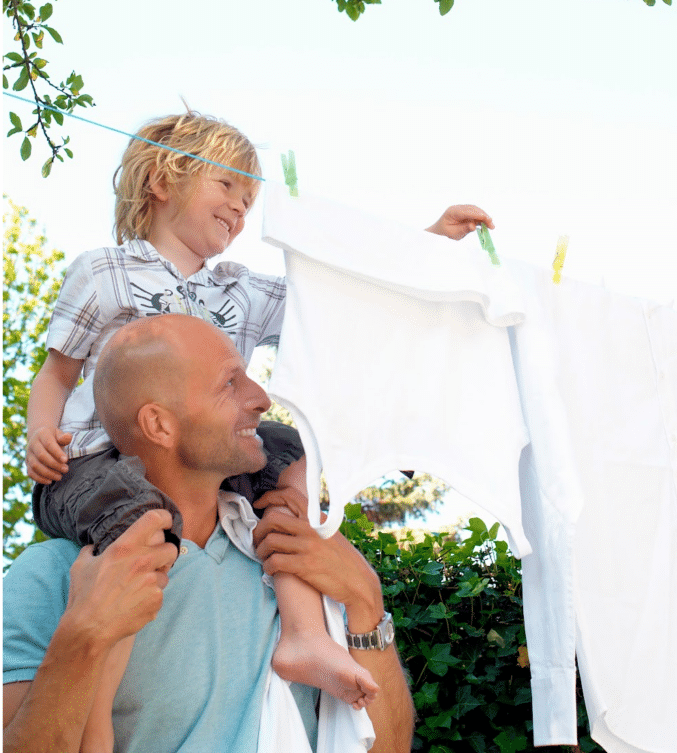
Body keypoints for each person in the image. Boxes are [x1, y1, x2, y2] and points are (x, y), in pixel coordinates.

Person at [24, 109, 494, 751]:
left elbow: (335, 306)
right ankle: (96, 718)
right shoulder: (105, 273)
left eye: (250, 202)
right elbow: (56, 372)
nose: (241, 211)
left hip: (217, 456)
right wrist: (40, 434)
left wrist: (426, 246)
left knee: (298, 453)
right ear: (164, 179)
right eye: (229, 189)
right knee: (134, 540)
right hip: (100, 465)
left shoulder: (240, 290)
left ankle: (304, 632)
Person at [4, 315, 416, 753]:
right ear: (159, 425)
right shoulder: (54, 576)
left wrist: (365, 600)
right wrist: (84, 636)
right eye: (229, 383)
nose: (260, 398)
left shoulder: (297, 563)